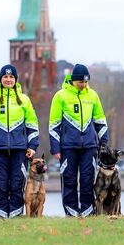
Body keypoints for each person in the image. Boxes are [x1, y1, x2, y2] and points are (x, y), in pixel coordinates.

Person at [49, 64, 109, 217]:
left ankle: (88, 212)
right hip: (68, 147)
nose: (83, 85)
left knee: (88, 180)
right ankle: (71, 212)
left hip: (89, 146)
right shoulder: (60, 96)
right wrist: (55, 148)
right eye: (80, 82)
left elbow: (100, 121)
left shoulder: (93, 95)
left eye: (85, 82)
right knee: (69, 180)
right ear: (73, 80)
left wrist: (104, 142)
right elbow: (54, 124)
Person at [0, 65, 39, 219]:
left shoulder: (24, 100)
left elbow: (32, 125)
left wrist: (32, 146)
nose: (8, 79)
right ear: (0, 79)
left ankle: (16, 218)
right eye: (5, 77)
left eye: (11, 77)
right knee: (1, 186)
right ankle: (0, 219)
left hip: (20, 151)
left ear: (15, 79)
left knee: (17, 185)